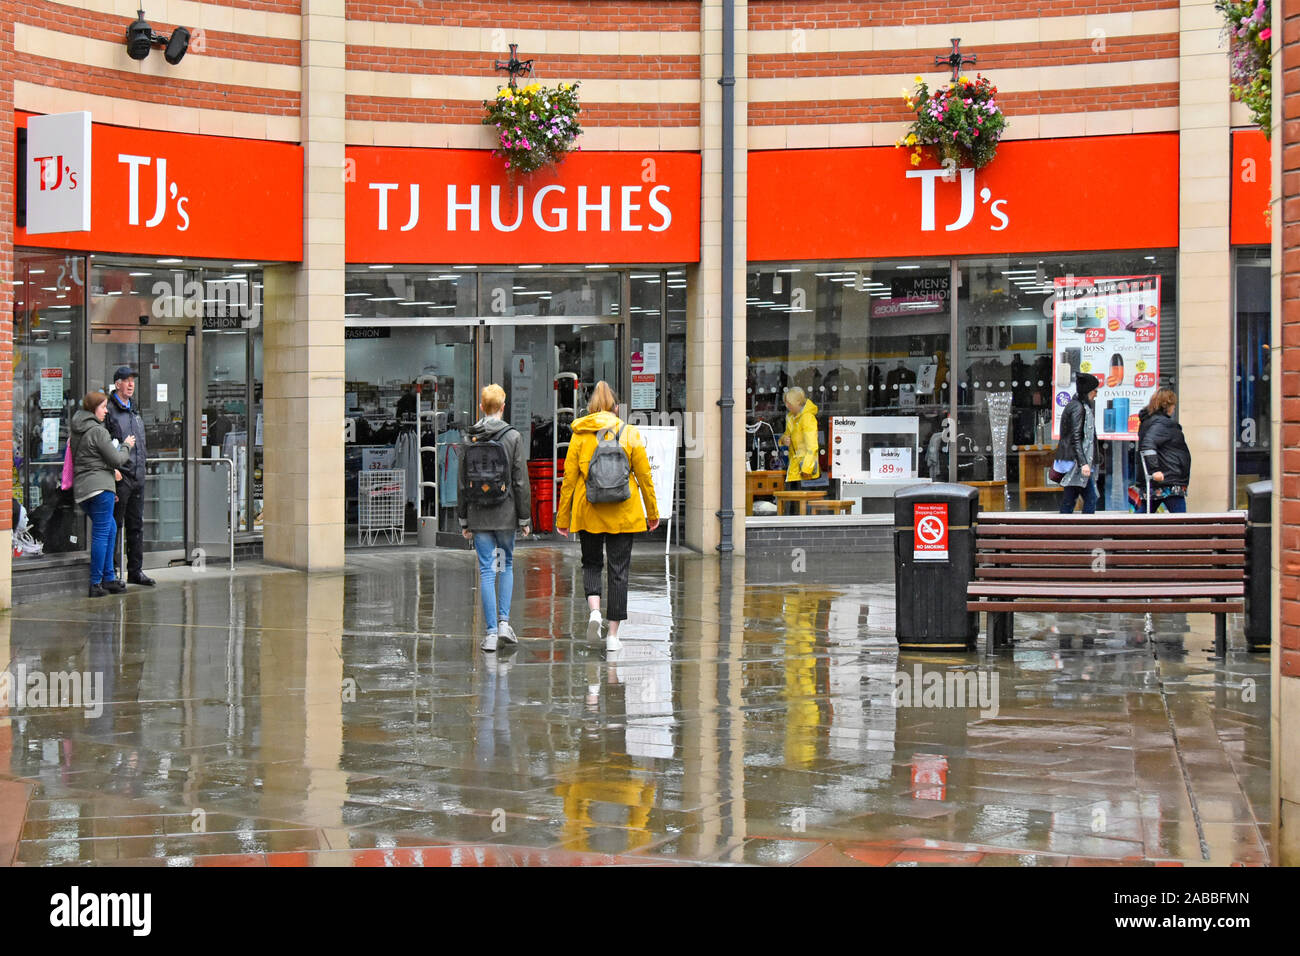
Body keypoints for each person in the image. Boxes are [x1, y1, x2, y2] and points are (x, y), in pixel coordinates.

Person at [555, 381, 659, 652]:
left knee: (590, 564)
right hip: (624, 512)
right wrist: (652, 512)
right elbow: (645, 477)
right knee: (618, 571)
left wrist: (563, 518)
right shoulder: (630, 433)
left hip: (589, 510)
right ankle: (613, 635)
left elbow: (568, 480)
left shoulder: (580, 435)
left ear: (591, 408)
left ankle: (594, 613)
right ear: (615, 407)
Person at [458, 384, 531, 653]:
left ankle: (490, 634)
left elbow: (462, 483)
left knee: (487, 570)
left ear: (481, 407)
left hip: (479, 514)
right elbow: (521, 481)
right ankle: (503, 624)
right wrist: (524, 518)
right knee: (506, 565)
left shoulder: (469, 438)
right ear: (503, 407)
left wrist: (464, 520)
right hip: (505, 513)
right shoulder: (512, 437)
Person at [71, 391, 134, 597]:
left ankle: (109, 577)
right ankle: (96, 582)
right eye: (103, 407)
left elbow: (90, 459)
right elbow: (116, 459)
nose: (106, 411)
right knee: (101, 533)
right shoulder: (98, 431)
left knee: (111, 528)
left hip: (84, 489)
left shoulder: (77, 429)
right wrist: (127, 445)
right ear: (93, 409)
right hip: (99, 488)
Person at [103, 366, 153, 586]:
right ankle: (111, 571)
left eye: (133, 380)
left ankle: (135, 570)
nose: (131, 384)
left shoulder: (134, 410)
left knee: (136, 525)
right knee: (114, 525)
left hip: (137, 476)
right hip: (120, 477)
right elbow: (103, 445)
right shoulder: (108, 411)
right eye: (126, 380)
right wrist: (111, 469)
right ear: (117, 384)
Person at [1138, 387, 1191, 513]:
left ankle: (1124, 532)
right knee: (1181, 523)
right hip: (1168, 480)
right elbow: (1148, 445)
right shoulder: (1162, 423)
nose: (1174, 409)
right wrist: (1155, 470)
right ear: (1167, 405)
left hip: (1161, 480)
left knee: (1142, 517)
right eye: (1173, 405)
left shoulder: (1150, 422)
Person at [1057, 372, 1100, 514]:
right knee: (1090, 498)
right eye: (1095, 390)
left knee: (1070, 498)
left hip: (1072, 461)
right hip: (1077, 463)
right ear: (1088, 391)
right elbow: (1076, 438)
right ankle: (1087, 532)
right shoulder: (1079, 408)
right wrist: (1083, 463)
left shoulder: (1075, 406)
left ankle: (1064, 531)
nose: (1096, 394)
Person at [778, 386, 820, 490]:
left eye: (789, 403)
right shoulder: (791, 417)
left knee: (801, 503)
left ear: (797, 402)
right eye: (786, 402)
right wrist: (784, 440)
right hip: (794, 468)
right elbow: (785, 435)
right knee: (793, 502)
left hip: (804, 470)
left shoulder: (807, 418)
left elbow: (812, 446)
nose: (787, 405)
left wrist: (806, 469)